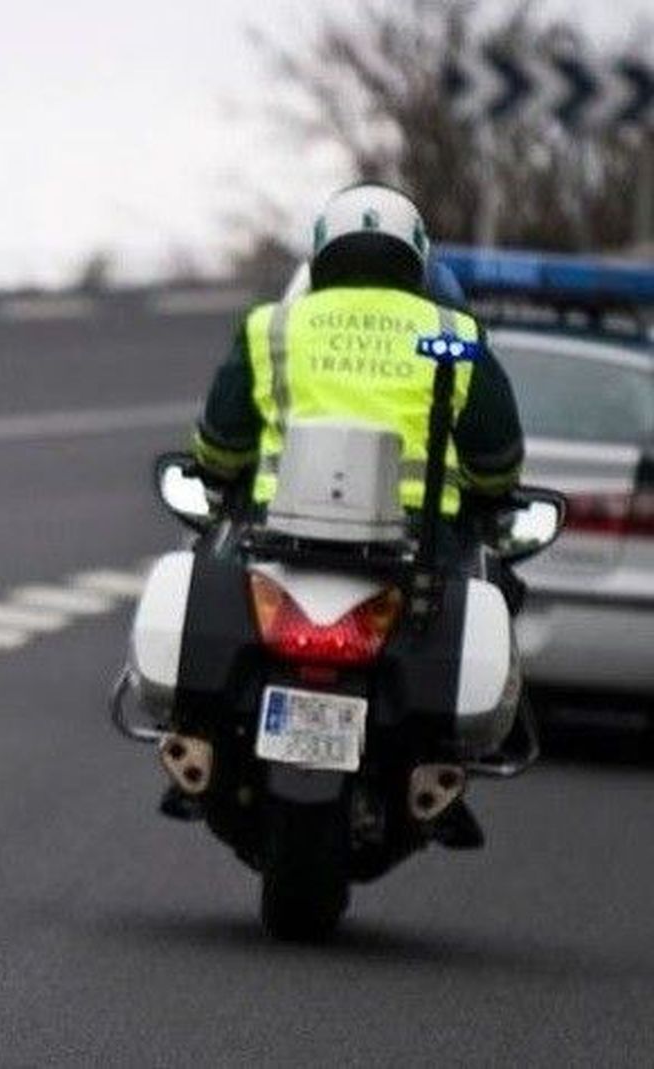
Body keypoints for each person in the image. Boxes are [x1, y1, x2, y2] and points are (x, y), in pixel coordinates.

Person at [185, 182, 527, 848]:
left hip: (273, 537)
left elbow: (220, 441)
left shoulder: (273, 325)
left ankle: (198, 744)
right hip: (424, 546)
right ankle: (449, 762)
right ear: (418, 257)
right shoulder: (452, 333)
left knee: (208, 566)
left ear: (321, 253)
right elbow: (499, 455)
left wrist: (219, 471)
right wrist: (488, 490)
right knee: (497, 595)